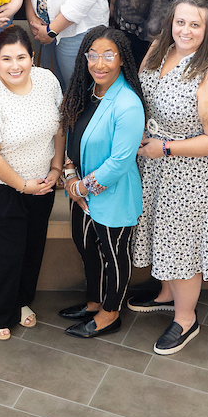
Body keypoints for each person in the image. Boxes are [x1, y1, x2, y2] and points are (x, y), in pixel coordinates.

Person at [128, 0, 208, 355]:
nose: (185, 30)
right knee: (161, 232)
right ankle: (165, 293)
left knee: (180, 245)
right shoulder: (160, 47)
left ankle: (185, 318)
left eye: (195, 24)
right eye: (180, 21)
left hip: (193, 172)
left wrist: (167, 147)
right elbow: (144, 95)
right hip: (156, 162)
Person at [0, 26, 64, 340]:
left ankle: (21, 300)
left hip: (42, 181)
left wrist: (57, 165)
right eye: (6, 58)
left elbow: (59, 127)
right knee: (2, 251)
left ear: (31, 57)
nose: (15, 65)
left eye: (21, 56)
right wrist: (22, 185)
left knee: (31, 245)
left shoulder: (47, 80)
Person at [57, 26, 146, 340]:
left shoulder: (128, 103)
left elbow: (119, 163)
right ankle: (94, 301)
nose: (99, 63)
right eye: (92, 55)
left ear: (122, 59)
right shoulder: (86, 90)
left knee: (113, 254)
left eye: (109, 55)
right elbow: (72, 136)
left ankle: (110, 313)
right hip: (80, 191)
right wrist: (69, 175)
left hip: (113, 195)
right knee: (85, 247)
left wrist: (79, 188)